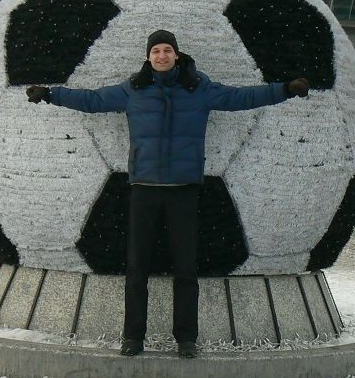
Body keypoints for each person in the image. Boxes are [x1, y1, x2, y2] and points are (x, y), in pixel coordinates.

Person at [25, 29, 310, 359]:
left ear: (176, 54)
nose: (161, 56)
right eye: (156, 51)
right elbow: (91, 100)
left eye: (167, 50)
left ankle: (186, 339)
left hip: (183, 191)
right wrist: (49, 94)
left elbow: (242, 98)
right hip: (144, 190)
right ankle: (133, 337)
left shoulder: (199, 89)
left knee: (186, 268)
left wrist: (286, 90)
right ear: (149, 57)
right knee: (137, 268)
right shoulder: (133, 90)